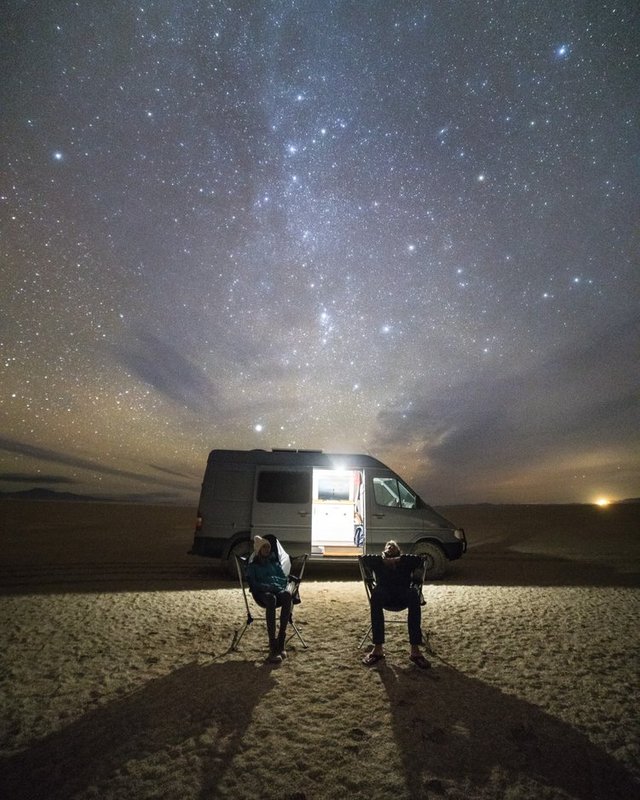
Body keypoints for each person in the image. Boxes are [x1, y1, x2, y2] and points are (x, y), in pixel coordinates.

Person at [361, 540, 430, 669]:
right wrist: (384, 560)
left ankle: (415, 650)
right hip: (385, 595)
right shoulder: (378, 562)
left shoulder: (405, 561)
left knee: (413, 594)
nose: (390, 547)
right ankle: (378, 649)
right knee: (376, 595)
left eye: (393, 546)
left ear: (399, 550)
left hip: (402, 594)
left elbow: (420, 560)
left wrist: (397, 560)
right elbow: (364, 559)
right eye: (388, 546)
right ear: (384, 550)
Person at [246, 535, 292, 663]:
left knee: (287, 595)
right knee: (271, 599)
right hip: (261, 593)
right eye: (264, 547)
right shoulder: (253, 566)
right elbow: (253, 584)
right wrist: (267, 586)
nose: (267, 550)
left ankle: (281, 640)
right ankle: (272, 646)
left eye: (268, 547)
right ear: (259, 550)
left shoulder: (274, 563)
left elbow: (283, 578)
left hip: (275, 589)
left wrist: (276, 585)